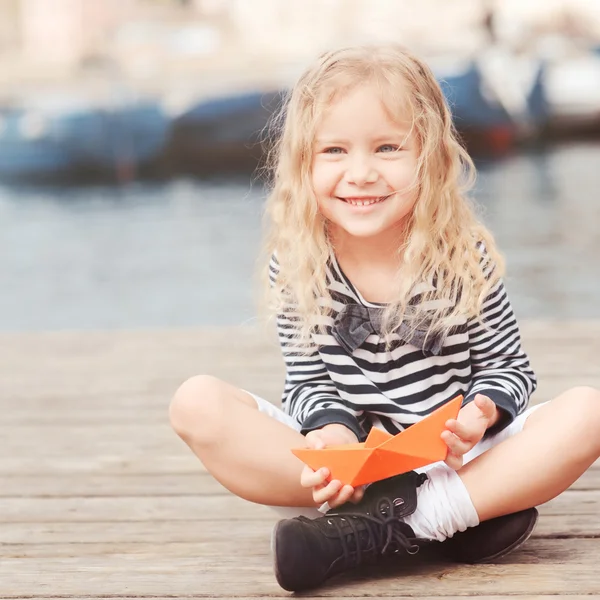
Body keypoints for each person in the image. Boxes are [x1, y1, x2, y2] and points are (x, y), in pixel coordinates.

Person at [169, 44, 600, 592]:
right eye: (334, 151)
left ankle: (399, 522)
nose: (361, 172)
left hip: (458, 458)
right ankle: (439, 516)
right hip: (359, 466)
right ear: (303, 163)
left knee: (589, 411)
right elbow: (308, 382)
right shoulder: (298, 263)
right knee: (195, 403)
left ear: (430, 157)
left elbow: (508, 367)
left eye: (388, 147)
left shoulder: (461, 255)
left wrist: (480, 412)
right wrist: (331, 438)